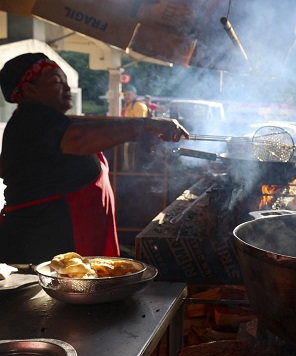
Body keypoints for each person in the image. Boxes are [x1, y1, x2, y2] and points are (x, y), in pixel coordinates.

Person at [0, 53, 189, 264]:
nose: (66, 88)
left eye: (65, 81)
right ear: (29, 90)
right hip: (43, 248)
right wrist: (147, 124)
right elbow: (79, 138)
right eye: (55, 81)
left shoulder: (49, 120)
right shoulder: (31, 119)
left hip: (59, 244)